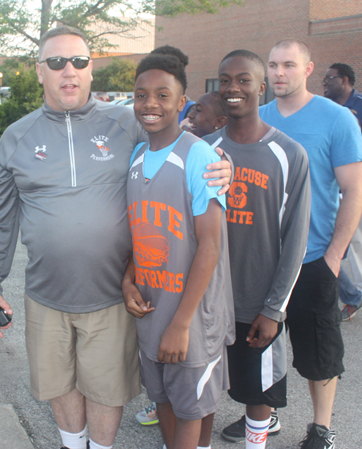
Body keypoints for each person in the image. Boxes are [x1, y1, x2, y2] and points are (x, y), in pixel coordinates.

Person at [0, 27, 232, 449]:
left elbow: (176, 144)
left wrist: (222, 162)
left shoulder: (127, 121)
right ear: (39, 71)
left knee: (105, 388)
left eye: (78, 61)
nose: (68, 71)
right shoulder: (16, 137)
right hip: (45, 295)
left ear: (91, 70)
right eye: (56, 62)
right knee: (60, 385)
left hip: (113, 296)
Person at [122, 47, 234, 449]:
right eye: (141, 94)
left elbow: (210, 245)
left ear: (181, 102)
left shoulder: (199, 155)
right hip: (153, 309)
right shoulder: (137, 156)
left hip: (190, 318)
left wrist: (182, 323)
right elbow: (141, 232)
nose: (150, 103)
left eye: (162, 95)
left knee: (193, 409)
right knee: (165, 403)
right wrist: (128, 280)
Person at [204, 50, 310, 449]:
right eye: (225, 80)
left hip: (257, 302)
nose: (233, 88)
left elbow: (296, 240)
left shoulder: (289, 154)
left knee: (258, 394)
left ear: (261, 88)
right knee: (205, 388)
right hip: (209, 302)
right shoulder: (204, 149)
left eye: (244, 80)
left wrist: (273, 310)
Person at [259, 40, 362, 448]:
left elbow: (353, 190)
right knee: (262, 348)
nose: (279, 73)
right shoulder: (256, 117)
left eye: (288, 65)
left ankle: (321, 428)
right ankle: (265, 416)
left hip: (314, 258)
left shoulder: (336, 119)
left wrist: (335, 256)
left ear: (308, 69)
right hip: (264, 261)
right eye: (272, 65)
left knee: (319, 353)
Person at [323, 62, 362, 320]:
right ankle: (355, 294)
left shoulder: (359, 105)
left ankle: (354, 294)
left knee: (356, 237)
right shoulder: (328, 110)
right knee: (350, 237)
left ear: (346, 80)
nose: (325, 82)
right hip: (337, 181)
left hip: (356, 179)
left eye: (330, 78)